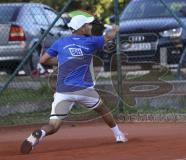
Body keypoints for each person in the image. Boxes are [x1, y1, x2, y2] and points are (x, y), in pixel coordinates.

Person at [20, 15, 127, 154]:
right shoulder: (91, 41)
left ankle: (39, 133)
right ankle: (119, 135)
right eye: (87, 25)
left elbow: (43, 60)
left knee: (53, 126)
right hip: (84, 90)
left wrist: (63, 60)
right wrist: (115, 28)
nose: (90, 26)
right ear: (81, 29)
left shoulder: (61, 42)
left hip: (63, 91)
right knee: (103, 110)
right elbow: (109, 36)